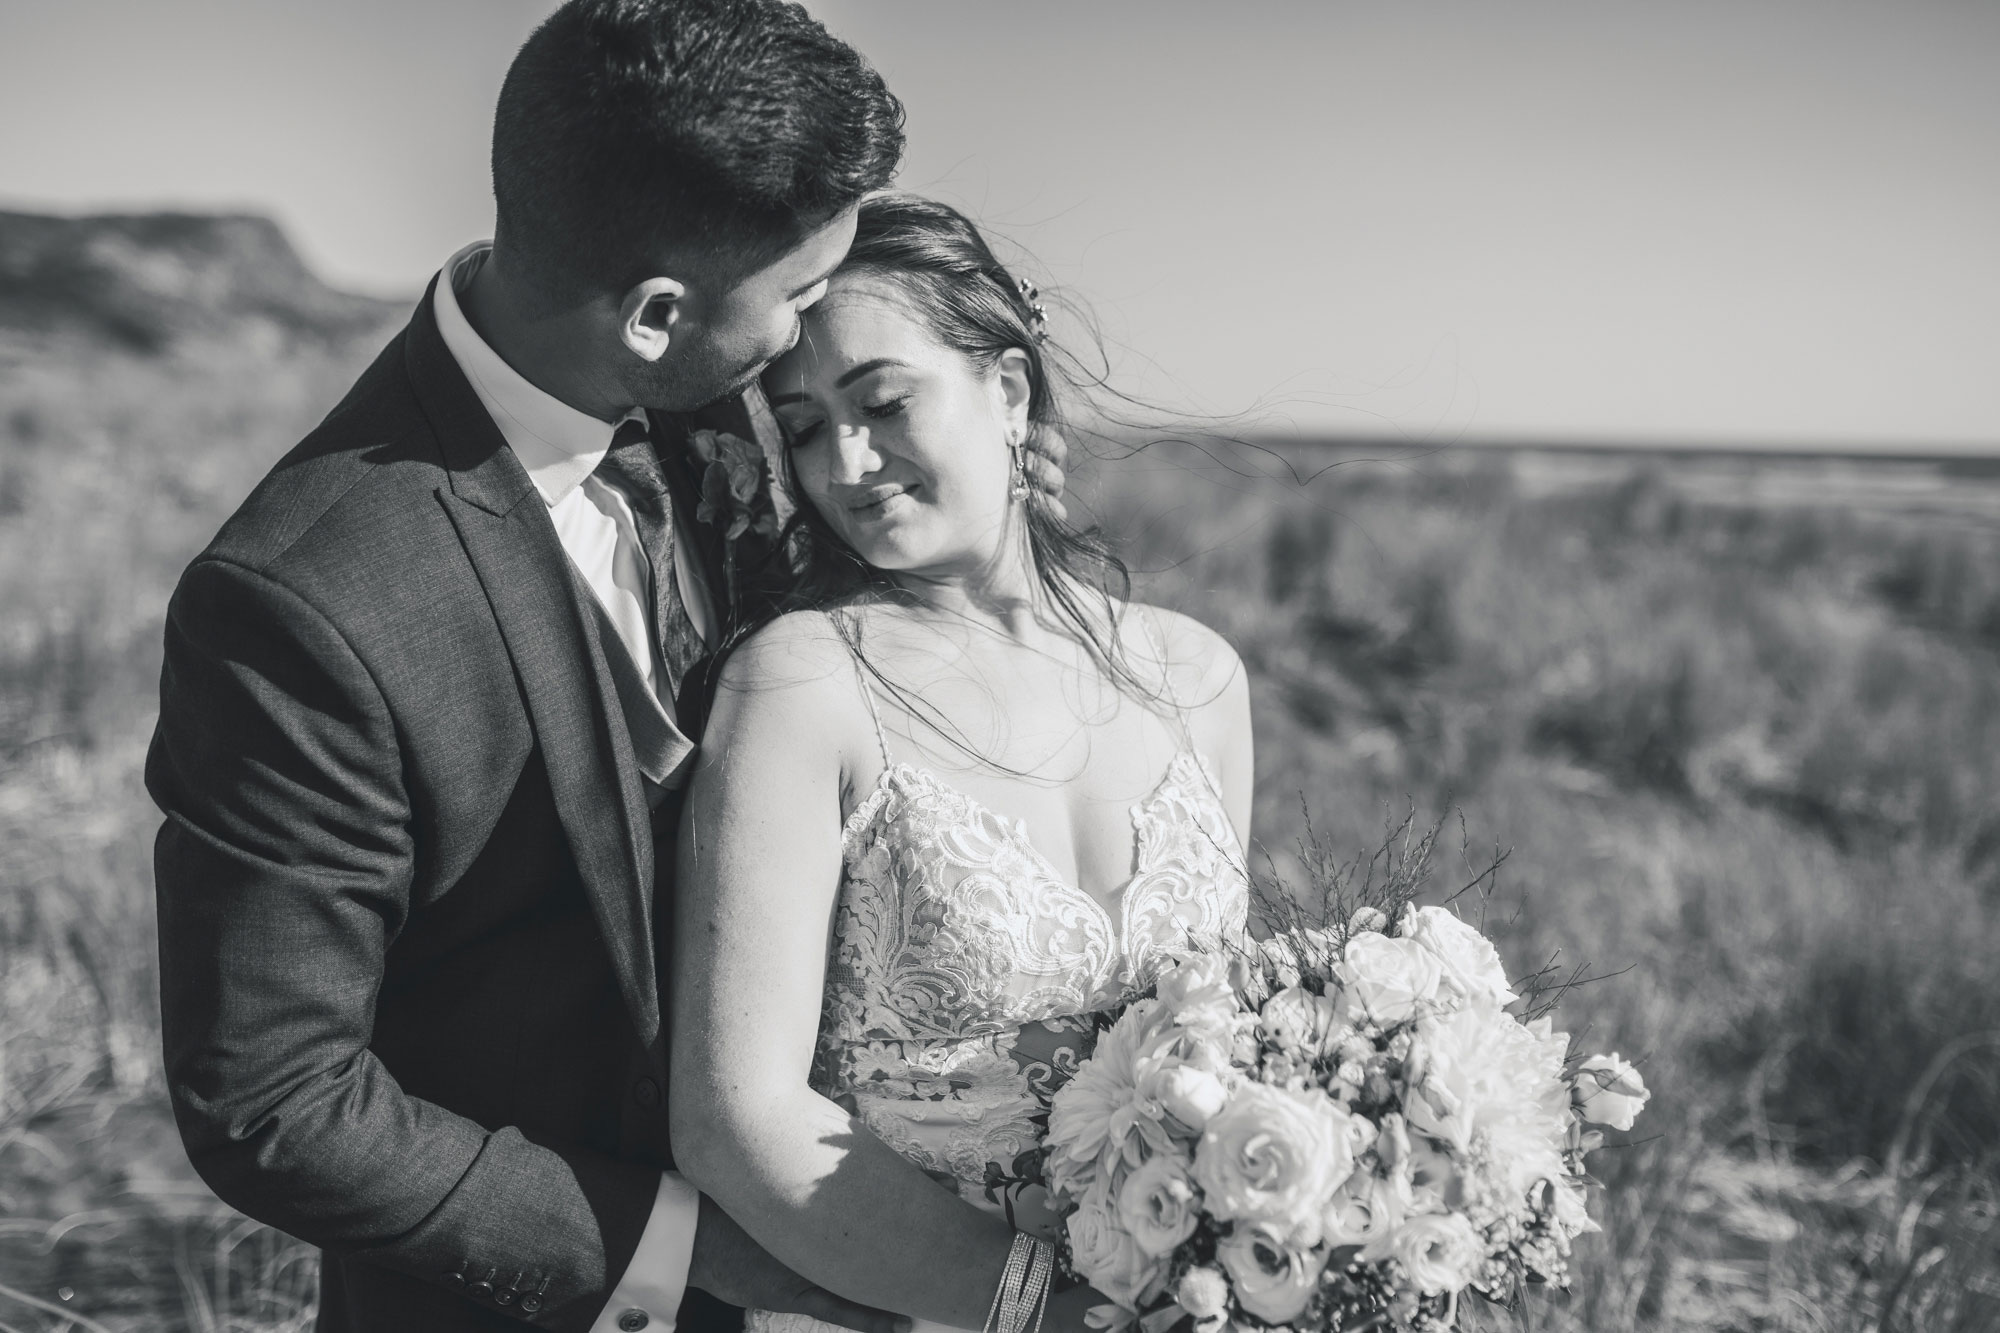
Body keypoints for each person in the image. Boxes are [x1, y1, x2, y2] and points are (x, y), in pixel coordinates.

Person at [146, 4, 1060, 1331]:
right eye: (799, 296)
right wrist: (689, 1252)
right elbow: (273, 1099)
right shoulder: (304, 605)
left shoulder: (717, 408)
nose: (810, 334)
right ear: (654, 315)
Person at [667, 194, 1254, 1333]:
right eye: (798, 424)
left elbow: (1234, 1032)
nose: (843, 459)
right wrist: (1042, 1309)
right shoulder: (802, 687)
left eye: (882, 401)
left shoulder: (1198, 681)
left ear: (1009, 390)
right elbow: (736, 1114)